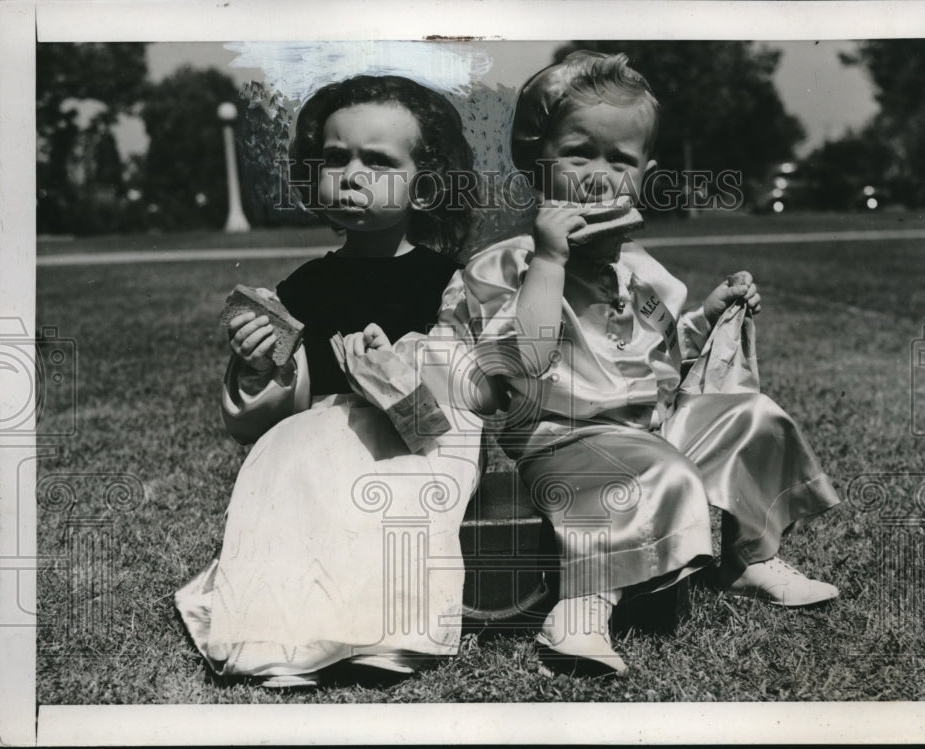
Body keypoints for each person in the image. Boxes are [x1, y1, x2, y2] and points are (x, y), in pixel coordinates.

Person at [448, 51, 841, 676]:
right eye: (579, 153)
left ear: (644, 174)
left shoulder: (643, 272)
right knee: (656, 469)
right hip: (563, 439)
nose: (600, 177)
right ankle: (582, 605)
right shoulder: (507, 266)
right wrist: (549, 262)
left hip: (647, 427)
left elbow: (669, 361)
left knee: (751, 417)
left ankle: (749, 558)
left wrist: (712, 317)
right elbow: (522, 363)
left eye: (620, 160)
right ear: (534, 164)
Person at [175, 75, 483, 688]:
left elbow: (452, 404)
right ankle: (281, 636)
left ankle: (389, 631)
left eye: (378, 160)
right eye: (335, 158)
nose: (351, 174)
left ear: (425, 185)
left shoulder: (447, 282)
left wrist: (394, 373)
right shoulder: (305, 287)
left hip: (414, 434)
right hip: (320, 426)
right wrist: (262, 366)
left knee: (379, 489)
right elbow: (273, 411)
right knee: (292, 465)